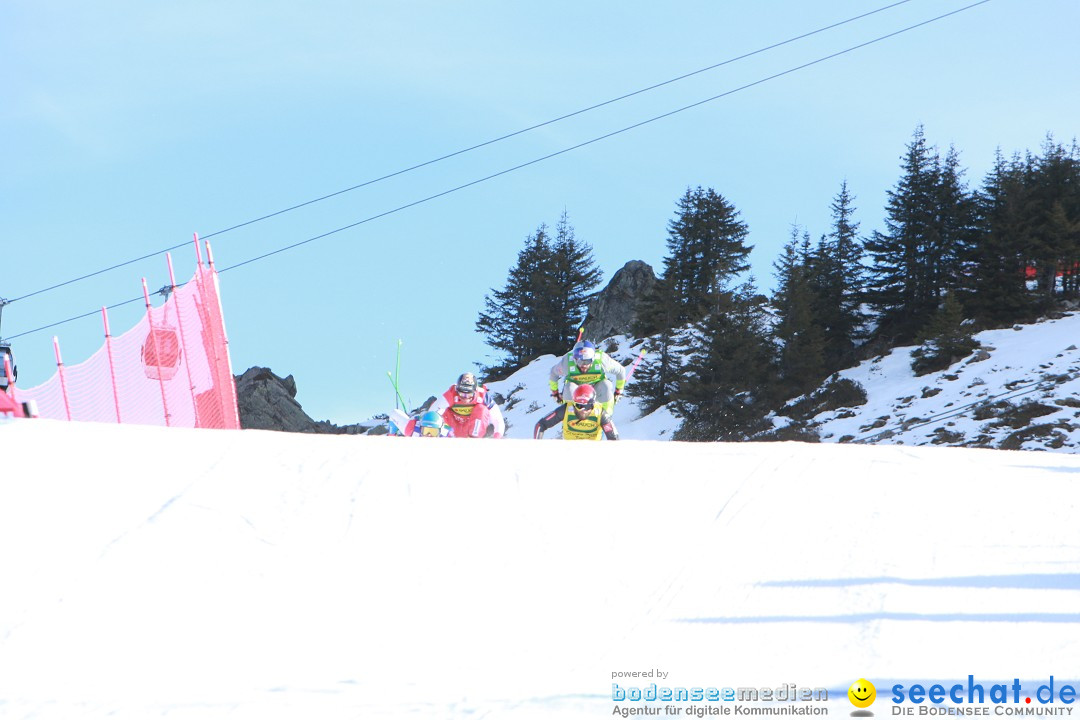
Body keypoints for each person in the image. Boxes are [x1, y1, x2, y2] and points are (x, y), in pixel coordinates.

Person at [548, 340, 626, 414]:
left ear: (593, 358)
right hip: (576, 389)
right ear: (575, 359)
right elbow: (554, 373)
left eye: (588, 361)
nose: (584, 365)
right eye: (580, 361)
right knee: (569, 388)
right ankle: (570, 416)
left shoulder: (601, 360)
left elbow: (620, 371)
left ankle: (606, 416)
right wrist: (555, 393)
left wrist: (618, 392)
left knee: (606, 385)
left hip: (596, 388)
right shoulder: (567, 363)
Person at [429, 372, 506, 438]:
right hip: (453, 427)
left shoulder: (483, 396)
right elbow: (433, 412)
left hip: (473, 428)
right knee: (442, 411)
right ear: (457, 390)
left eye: (469, 394)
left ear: (475, 391)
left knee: (482, 409)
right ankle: (446, 438)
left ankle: (473, 440)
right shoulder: (451, 394)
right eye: (462, 394)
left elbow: (497, 418)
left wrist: (497, 435)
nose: (465, 398)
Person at [533, 384, 619, 441]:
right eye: (579, 406)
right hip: (569, 451)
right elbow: (541, 425)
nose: (583, 411)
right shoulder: (566, 409)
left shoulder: (600, 413)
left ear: (593, 404)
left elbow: (614, 439)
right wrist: (537, 447)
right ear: (574, 404)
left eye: (587, 406)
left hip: (592, 452)